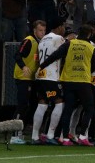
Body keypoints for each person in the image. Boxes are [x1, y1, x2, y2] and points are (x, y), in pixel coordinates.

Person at [37, 24, 95, 146]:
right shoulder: (90, 47)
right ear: (90, 34)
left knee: (68, 108)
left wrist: (41, 66)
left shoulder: (70, 43)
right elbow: (93, 67)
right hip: (83, 81)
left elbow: (55, 55)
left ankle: (64, 139)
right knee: (89, 108)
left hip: (68, 80)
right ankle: (82, 136)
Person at [10, 20, 46, 144]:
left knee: (31, 105)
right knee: (22, 105)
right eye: (40, 30)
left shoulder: (39, 42)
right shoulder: (29, 40)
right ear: (35, 30)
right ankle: (15, 134)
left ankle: (21, 130)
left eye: (44, 31)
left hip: (31, 78)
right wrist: (24, 66)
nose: (42, 33)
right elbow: (17, 55)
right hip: (22, 77)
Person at [31, 17, 66, 145]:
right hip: (51, 77)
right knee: (59, 103)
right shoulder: (58, 38)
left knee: (42, 104)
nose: (64, 29)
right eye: (63, 26)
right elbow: (66, 50)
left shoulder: (42, 40)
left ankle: (35, 136)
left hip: (40, 76)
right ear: (59, 27)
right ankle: (50, 134)